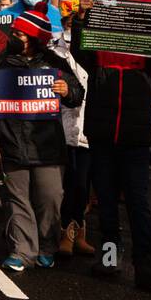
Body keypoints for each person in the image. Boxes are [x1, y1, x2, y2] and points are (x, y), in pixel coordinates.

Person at [71, 0, 151, 290]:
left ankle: (145, 265)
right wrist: (83, 17)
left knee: (138, 202)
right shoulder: (98, 50)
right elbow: (78, 52)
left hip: (136, 138)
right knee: (106, 200)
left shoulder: (147, 55)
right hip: (102, 134)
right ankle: (109, 258)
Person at [0, 5, 83, 272]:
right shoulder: (0, 62)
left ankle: (46, 246)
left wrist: (67, 90)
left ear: (33, 39)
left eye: (19, 33)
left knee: (50, 198)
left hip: (47, 145)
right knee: (17, 200)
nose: (13, 36)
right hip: (12, 142)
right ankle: (21, 251)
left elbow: (77, 93)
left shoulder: (54, 63)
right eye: (14, 31)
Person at [56, 18, 95, 258]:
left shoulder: (93, 50)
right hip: (60, 129)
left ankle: (78, 230)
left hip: (87, 130)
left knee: (83, 184)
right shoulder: (54, 51)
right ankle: (63, 232)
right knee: (64, 184)